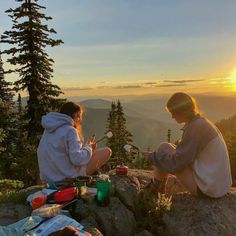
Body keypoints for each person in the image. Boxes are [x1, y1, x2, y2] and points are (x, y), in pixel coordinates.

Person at [142, 92, 232, 198]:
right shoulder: (201, 122)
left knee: (163, 154)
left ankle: (153, 192)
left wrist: (151, 157)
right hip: (217, 185)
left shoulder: (196, 127)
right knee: (164, 147)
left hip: (208, 190)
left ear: (183, 111)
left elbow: (177, 163)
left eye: (173, 112)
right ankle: (156, 189)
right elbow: (184, 155)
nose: (172, 117)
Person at [37, 101, 112, 183]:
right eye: (79, 116)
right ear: (75, 115)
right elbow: (77, 159)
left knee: (92, 153)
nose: (80, 120)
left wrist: (86, 147)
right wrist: (89, 147)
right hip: (67, 177)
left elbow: (63, 154)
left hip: (49, 178)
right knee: (106, 151)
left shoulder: (49, 129)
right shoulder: (70, 130)